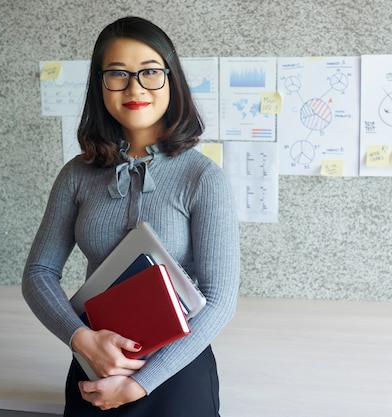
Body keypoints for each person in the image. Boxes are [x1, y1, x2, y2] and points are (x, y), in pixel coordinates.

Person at [22, 16, 240, 416]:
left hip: (177, 372)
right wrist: (80, 338)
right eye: (118, 73)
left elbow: (220, 300)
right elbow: (38, 272)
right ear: (100, 83)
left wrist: (140, 383)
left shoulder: (203, 177)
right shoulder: (77, 174)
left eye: (150, 72)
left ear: (171, 80)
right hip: (94, 368)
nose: (135, 87)